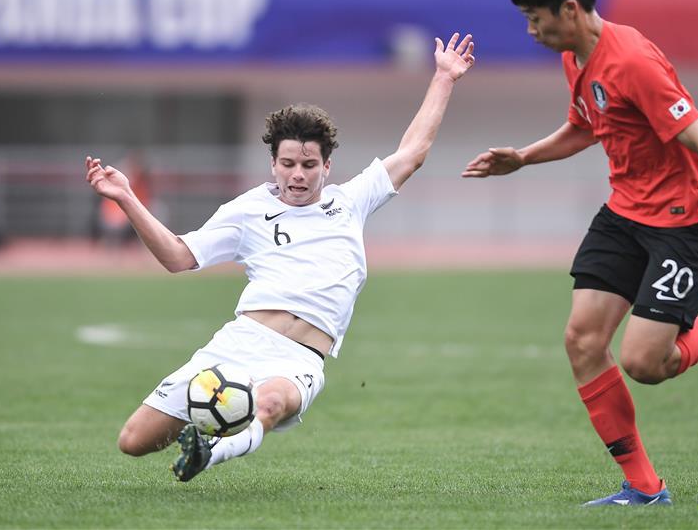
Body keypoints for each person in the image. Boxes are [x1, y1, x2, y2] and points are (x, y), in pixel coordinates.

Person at [462, 0, 698, 507]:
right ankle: (645, 488)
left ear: (572, 9)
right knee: (582, 340)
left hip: (684, 218)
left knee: (646, 364)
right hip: (626, 212)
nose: (531, 30)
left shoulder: (633, 61)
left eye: (537, 17)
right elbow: (587, 125)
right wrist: (525, 157)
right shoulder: (575, 58)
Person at [85, 32, 475, 482]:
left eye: (309, 165)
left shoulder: (350, 202)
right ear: (273, 163)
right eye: (288, 163)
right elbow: (177, 257)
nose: (298, 174)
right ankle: (211, 423)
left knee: (269, 404)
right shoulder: (247, 210)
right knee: (133, 441)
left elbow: (413, 152)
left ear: (327, 166)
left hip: (299, 359)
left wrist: (444, 77)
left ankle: (208, 453)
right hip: (238, 343)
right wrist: (127, 198)